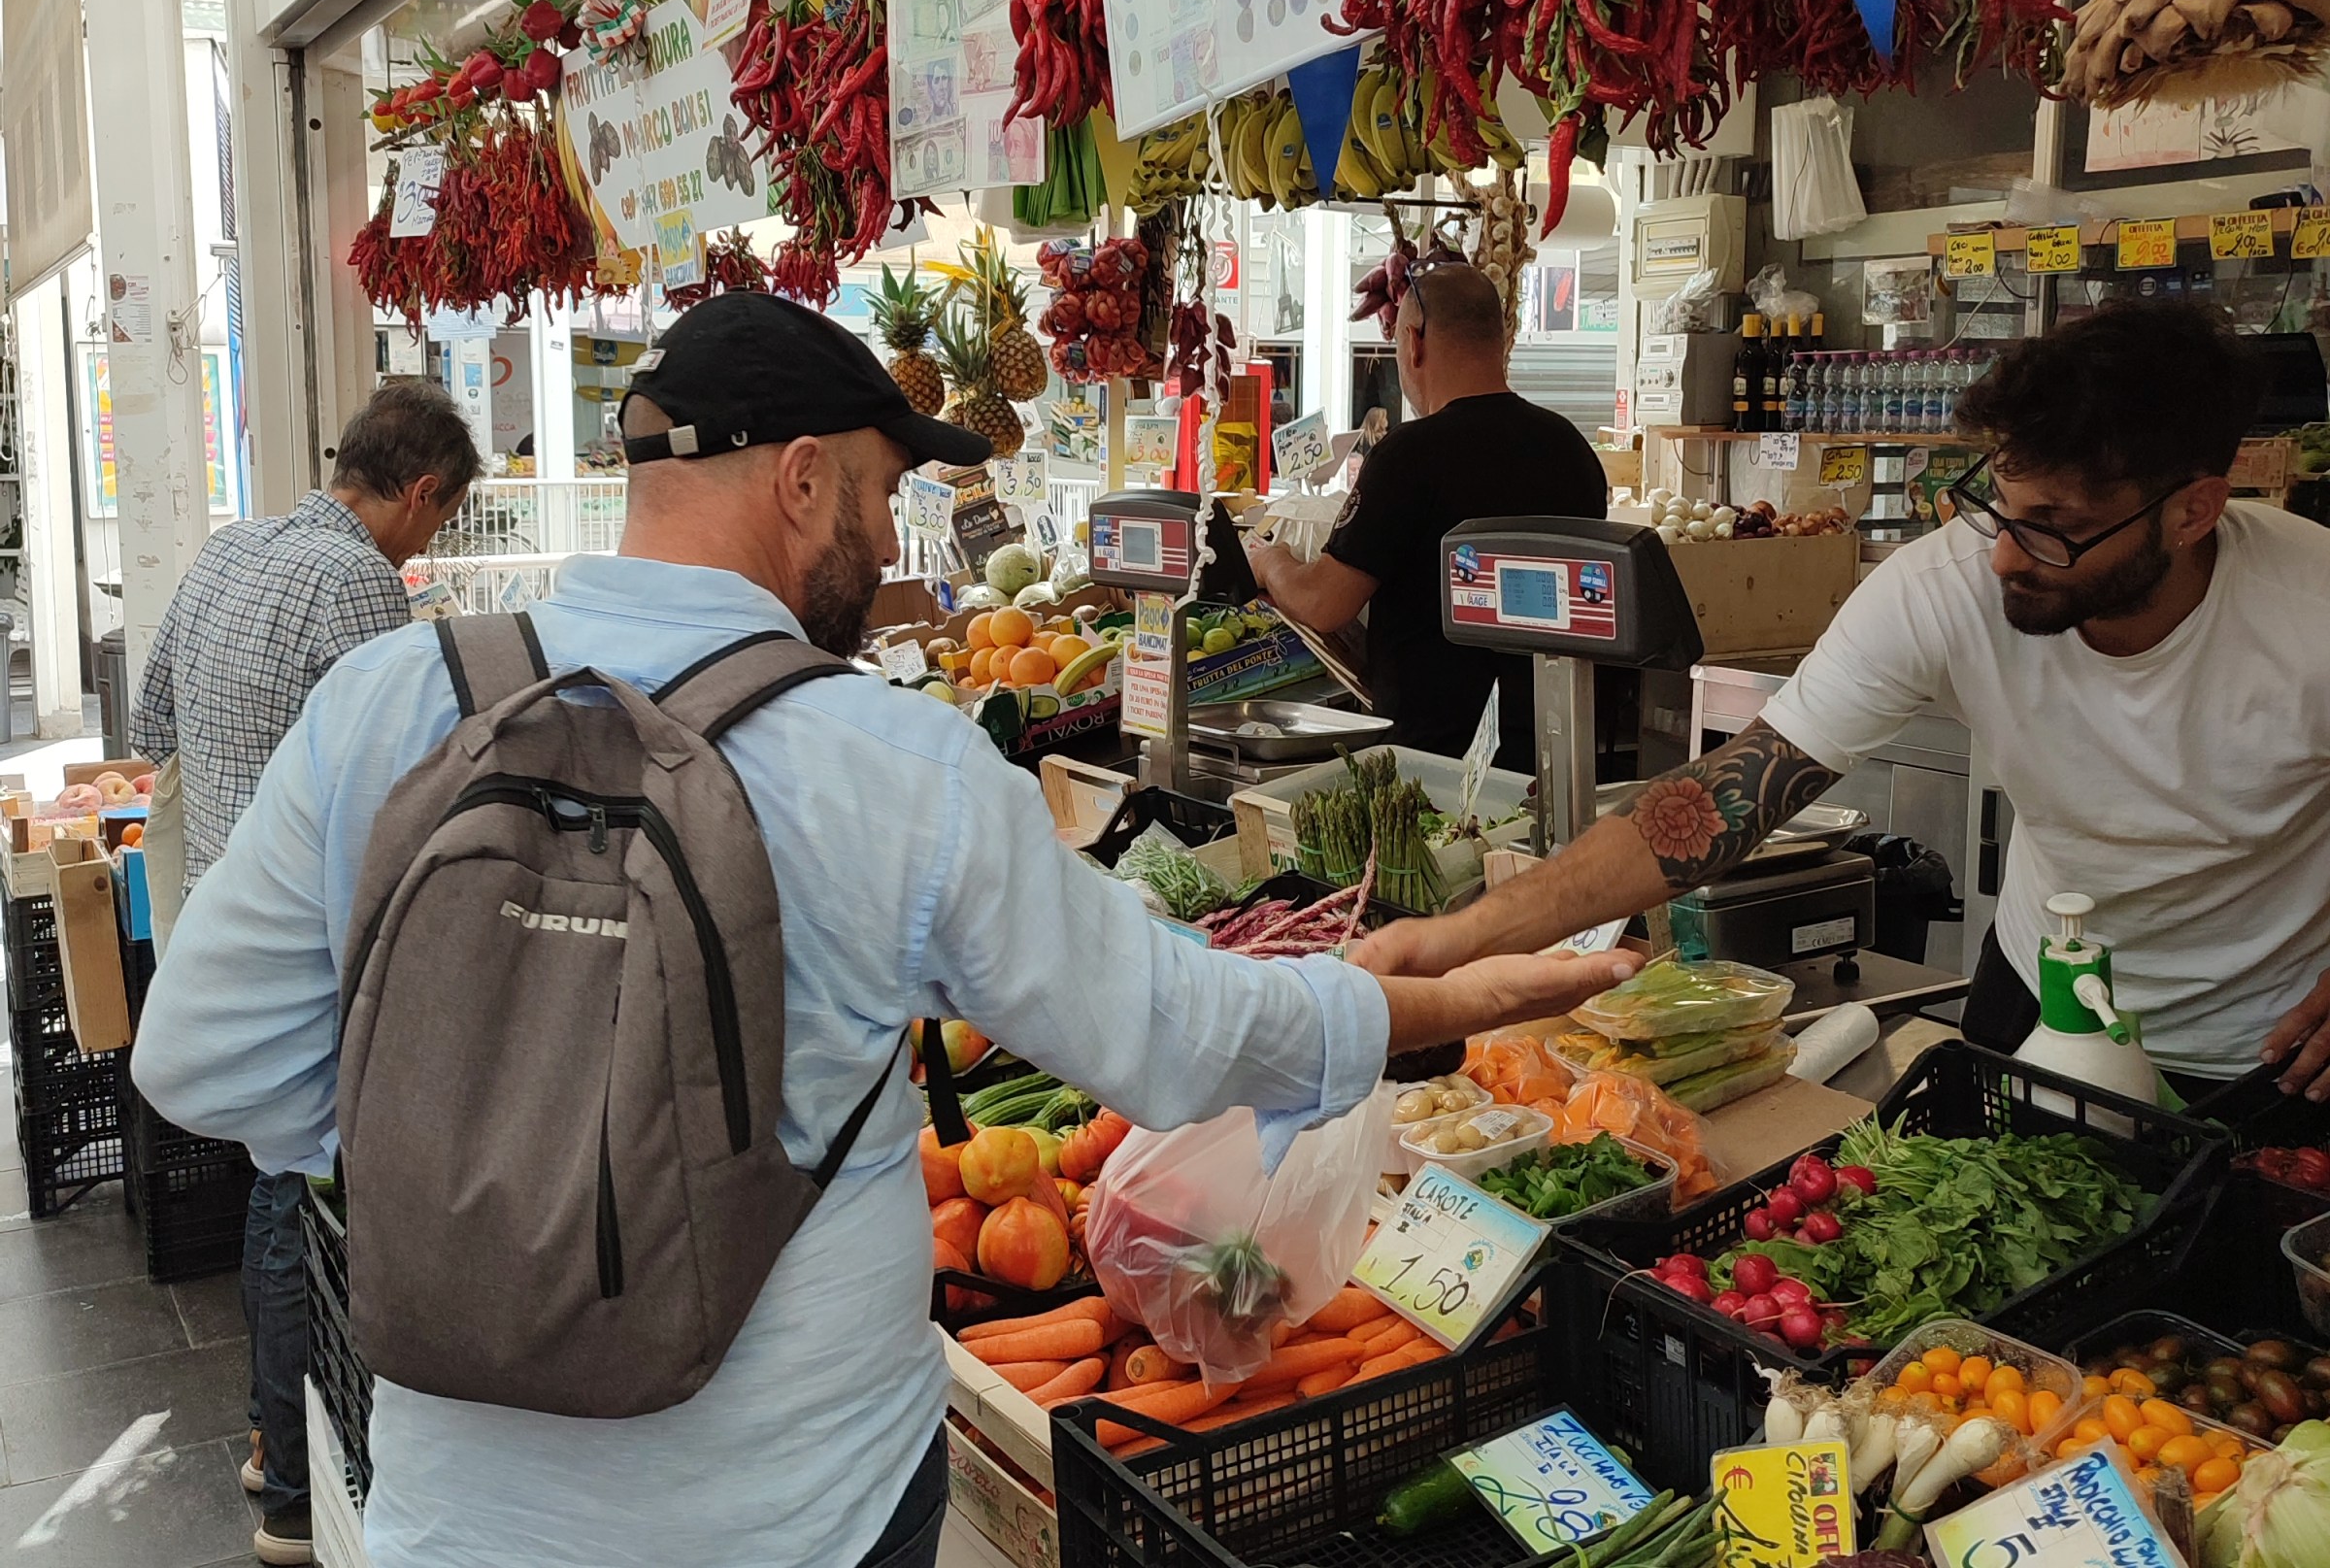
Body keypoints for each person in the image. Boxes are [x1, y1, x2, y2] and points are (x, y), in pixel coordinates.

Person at [129, 293, 1636, 1568]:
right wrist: (1427, 994)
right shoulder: (889, 762)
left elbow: (200, 1063)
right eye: (880, 489)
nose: (889, 526)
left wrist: (481, 1137)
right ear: (799, 481)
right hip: (800, 1514)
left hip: (458, 1522)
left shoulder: (393, 701)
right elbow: (1182, 1043)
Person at [1352, 302, 2330, 1096]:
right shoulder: (1942, 586)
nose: (2001, 553)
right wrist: (1458, 937)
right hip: (2041, 997)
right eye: (2000, 502)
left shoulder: (2308, 611)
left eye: (2055, 528)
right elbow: (1716, 804)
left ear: (2196, 509)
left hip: (2268, 1049)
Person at [129, 376, 480, 1567]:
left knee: (272, 1190)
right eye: (439, 522)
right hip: (308, 943)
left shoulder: (232, 549)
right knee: (298, 1196)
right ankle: (289, 1482)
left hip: (215, 931)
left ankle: (263, 1425)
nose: (429, 543)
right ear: (420, 494)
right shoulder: (357, 586)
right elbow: (413, 786)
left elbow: (151, 719)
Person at [1247, 264, 1608, 770]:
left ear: (1414, 341)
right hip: (1552, 760)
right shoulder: (1572, 451)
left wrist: (1271, 563)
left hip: (1434, 764)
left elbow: (1324, 602)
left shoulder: (1407, 456)